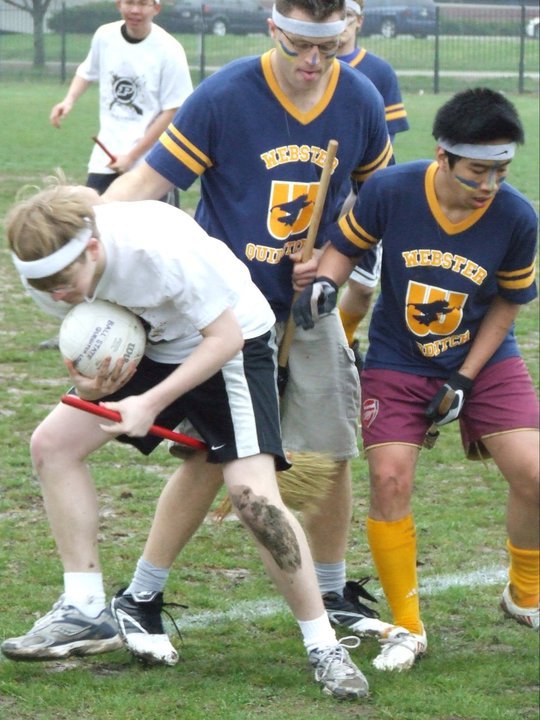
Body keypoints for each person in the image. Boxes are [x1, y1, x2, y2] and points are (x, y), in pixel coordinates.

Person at [101, 0, 394, 660]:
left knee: (331, 447)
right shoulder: (225, 95)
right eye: (298, 46)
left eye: (327, 48)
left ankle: (332, 590)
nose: (313, 62)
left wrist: (333, 260)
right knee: (215, 455)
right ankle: (141, 594)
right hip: (225, 311)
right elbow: (148, 181)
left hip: (309, 306)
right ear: (273, 29)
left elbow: (376, 201)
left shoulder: (360, 99)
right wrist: (87, 234)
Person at [2, 183, 370, 701]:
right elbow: (79, 205)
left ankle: (324, 646)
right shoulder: (50, 264)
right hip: (154, 338)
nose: (57, 296)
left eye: (65, 284)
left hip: (232, 343)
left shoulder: (158, 250)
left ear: (93, 248)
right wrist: (92, 387)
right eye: (48, 287)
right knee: (52, 446)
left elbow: (225, 338)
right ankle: (84, 610)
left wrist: (149, 403)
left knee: (254, 499)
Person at [292, 87, 539, 670]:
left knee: (533, 474)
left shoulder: (517, 216)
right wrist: (325, 284)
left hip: (485, 357)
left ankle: (525, 592)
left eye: (501, 171)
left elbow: (509, 303)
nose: (489, 184)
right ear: (442, 156)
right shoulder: (391, 189)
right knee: (389, 480)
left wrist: (465, 378)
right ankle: (406, 626)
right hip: (398, 358)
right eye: (477, 171)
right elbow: (344, 247)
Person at [49, 0, 192, 195]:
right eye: (129, 2)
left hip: (149, 165)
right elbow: (87, 71)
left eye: (143, 4)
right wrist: (69, 100)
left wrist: (132, 157)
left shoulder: (170, 50)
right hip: (105, 158)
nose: (135, 10)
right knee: (95, 212)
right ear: (118, 4)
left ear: (156, 8)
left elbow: (173, 111)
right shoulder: (105, 36)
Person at [337, 0, 410, 369]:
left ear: (360, 22)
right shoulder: (304, 67)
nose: (341, 24)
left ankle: (343, 341)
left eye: (348, 16)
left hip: (361, 197)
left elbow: (385, 148)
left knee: (363, 288)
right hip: (314, 195)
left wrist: (359, 196)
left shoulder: (379, 72)